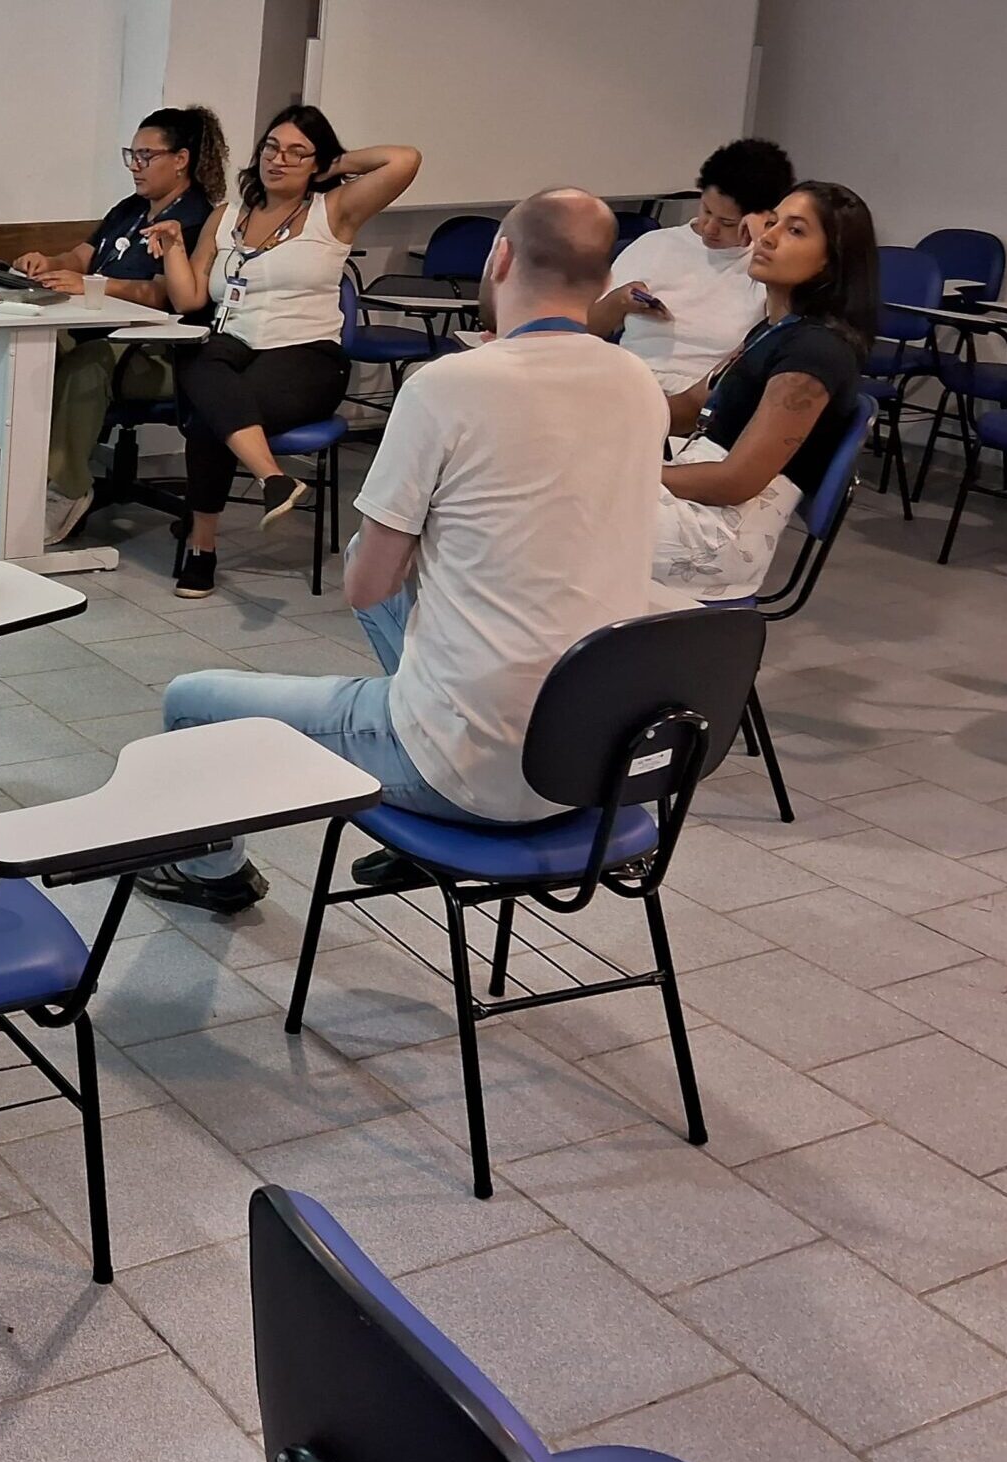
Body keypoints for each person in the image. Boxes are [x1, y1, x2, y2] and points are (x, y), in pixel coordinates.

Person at [136, 190, 665, 913]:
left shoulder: (447, 384)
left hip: (473, 775)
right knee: (404, 575)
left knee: (190, 702)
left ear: (500, 257)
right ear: (603, 277)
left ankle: (211, 873)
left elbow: (367, 586)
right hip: (590, 758)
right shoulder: (638, 383)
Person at [151, 105, 421, 597]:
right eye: (272, 147)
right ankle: (272, 478)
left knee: (216, 411)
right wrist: (172, 245)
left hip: (307, 356)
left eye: (297, 153)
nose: (279, 160)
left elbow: (404, 160)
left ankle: (201, 551)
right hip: (232, 344)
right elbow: (190, 298)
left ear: (318, 163)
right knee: (197, 358)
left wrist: (333, 165)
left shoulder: (334, 210)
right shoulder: (225, 216)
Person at [8, 106, 228, 543]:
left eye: (146, 156)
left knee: (85, 364)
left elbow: (163, 294)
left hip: (160, 351)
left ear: (181, 159)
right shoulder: (132, 208)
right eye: (132, 154)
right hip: (105, 334)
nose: (135, 166)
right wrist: (49, 263)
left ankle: (67, 488)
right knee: (31, 350)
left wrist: (91, 285)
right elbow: (82, 255)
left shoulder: (195, 219)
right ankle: (20, 478)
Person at [651, 181, 878, 602]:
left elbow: (736, 481)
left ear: (831, 260)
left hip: (720, 534)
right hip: (701, 507)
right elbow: (687, 408)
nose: (768, 236)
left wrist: (632, 475)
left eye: (795, 231)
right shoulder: (772, 331)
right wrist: (602, 413)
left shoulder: (816, 353)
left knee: (550, 512)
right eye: (771, 222)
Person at [587, 138, 796, 394]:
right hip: (629, 384)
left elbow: (784, 340)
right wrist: (619, 301)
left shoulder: (767, 268)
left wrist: (765, 240)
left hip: (706, 399)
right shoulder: (655, 245)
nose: (710, 228)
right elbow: (586, 330)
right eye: (706, 210)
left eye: (727, 223)